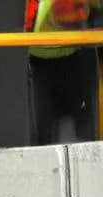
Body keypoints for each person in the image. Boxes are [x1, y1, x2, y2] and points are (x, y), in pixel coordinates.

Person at [27, 0, 102, 145]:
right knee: (44, 127)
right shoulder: (39, 15)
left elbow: (95, 13)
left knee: (82, 127)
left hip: (75, 55)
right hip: (40, 61)